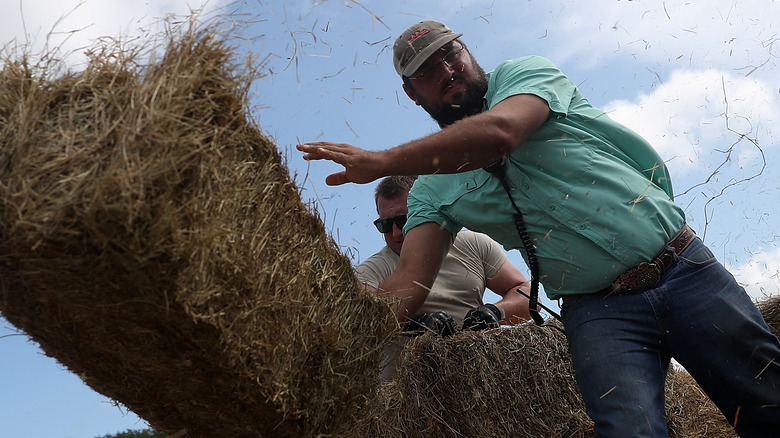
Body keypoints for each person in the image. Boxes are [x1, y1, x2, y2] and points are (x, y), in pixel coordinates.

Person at [298, 20, 780, 437]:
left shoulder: (525, 75)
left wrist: (382, 159)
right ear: (411, 92)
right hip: (598, 311)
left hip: (683, 269)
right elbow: (407, 284)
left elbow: (500, 133)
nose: (447, 71)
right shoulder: (429, 193)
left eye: (451, 55)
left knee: (767, 403)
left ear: (468, 53)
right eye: (427, 71)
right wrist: (324, 337)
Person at [357, 175, 531, 382]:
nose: (395, 233)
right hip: (409, 395)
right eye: (385, 225)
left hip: (477, 382)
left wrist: (496, 312)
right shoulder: (370, 271)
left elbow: (529, 295)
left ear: (424, 210)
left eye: (403, 220)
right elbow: (363, 323)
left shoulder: (474, 244)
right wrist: (415, 325)